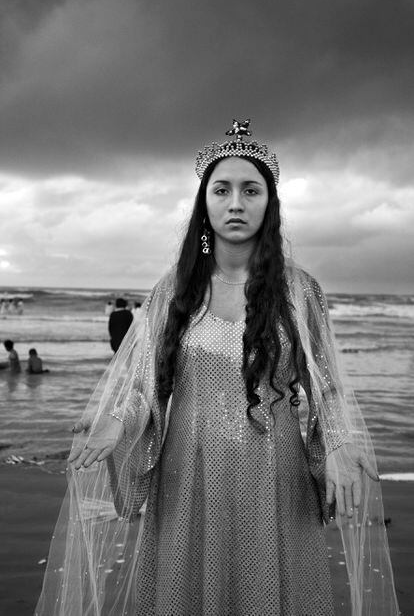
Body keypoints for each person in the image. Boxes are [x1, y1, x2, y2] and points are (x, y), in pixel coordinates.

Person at [35, 120, 399, 615]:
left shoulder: (300, 289)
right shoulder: (174, 288)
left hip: (276, 473)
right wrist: (115, 422)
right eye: (221, 190)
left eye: (251, 191)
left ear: (268, 204)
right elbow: (146, 380)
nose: (235, 203)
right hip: (187, 471)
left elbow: (327, 384)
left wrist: (337, 441)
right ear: (204, 203)